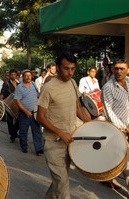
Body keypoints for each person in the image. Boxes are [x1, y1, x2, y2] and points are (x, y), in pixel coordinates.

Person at [36, 52, 91, 198]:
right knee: (62, 182)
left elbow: (77, 107)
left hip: (71, 140)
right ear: (58, 67)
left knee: (60, 180)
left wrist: (90, 123)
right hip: (53, 143)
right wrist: (60, 133)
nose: (70, 72)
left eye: (73, 69)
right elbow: (39, 117)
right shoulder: (49, 88)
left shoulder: (73, 83)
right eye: (66, 68)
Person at [101, 59, 129, 199]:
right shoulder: (108, 87)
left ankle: (106, 176)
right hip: (116, 128)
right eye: (116, 69)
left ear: (128, 70)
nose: (119, 71)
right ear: (112, 69)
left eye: (122, 69)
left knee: (115, 156)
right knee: (126, 158)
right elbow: (108, 111)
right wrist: (124, 126)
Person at [14, 69, 43, 155]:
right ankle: (24, 147)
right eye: (26, 76)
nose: (28, 77)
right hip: (24, 114)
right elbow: (17, 101)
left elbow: (37, 94)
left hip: (35, 112)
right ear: (23, 77)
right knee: (23, 131)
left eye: (29, 76)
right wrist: (26, 111)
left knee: (37, 131)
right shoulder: (20, 87)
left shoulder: (33, 84)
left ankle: (38, 149)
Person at [0, 69, 19, 143]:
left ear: (16, 75)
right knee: (10, 121)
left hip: (17, 104)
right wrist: (1, 100)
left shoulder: (19, 83)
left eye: (15, 74)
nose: (13, 76)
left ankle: (14, 132)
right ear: (10, 75)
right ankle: (12, 136)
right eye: (12, 74)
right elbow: (2, 92)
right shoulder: (6, 83)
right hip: (8, 104)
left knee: (18, 120)